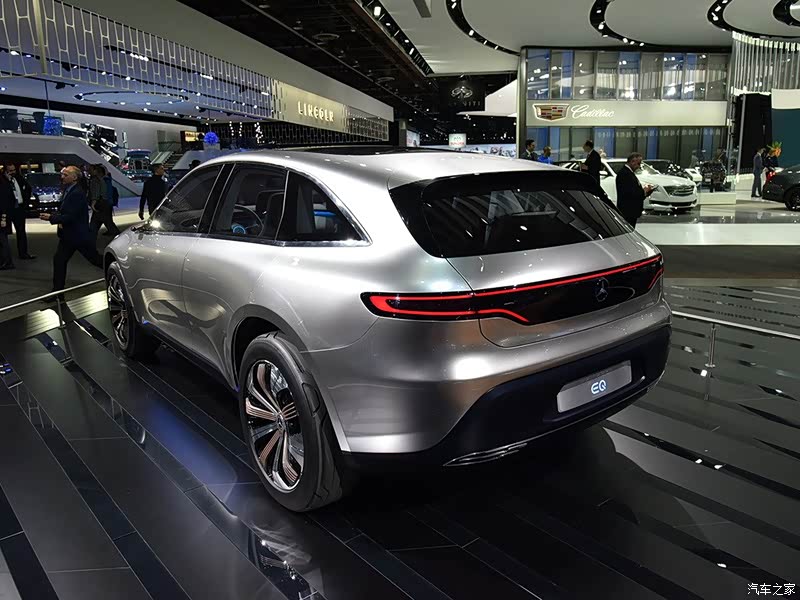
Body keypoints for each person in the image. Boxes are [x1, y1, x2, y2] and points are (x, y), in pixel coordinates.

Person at [39, 166, 102, 293]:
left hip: (78, 235)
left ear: (74, 177)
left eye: (65, 175)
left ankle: (122, 273)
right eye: (62, 174)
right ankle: (58, 292)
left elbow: (71, 216)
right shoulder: (69, 190)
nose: (62, 177)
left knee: (96, 260)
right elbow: (66, 211)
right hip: (69, 236)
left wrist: (52, 217)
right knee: (59, 261)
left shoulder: (76, 193)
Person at [2, 163, 36, 260]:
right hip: (7, 210)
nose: (13, 172)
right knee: (4, 233)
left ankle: (23, 253)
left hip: (19, 209)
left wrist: (25, 202)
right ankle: (5, 257)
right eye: (10, 171)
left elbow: (28, 188)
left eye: (14, 170)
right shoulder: (2, 181)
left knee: (21, 232)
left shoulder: (18, 178)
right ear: (5, 171)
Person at [616, 153, 654, 228]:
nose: (639, 166)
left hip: (630, 210)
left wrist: (645, 192)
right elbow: (630, 193)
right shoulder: (625, 174)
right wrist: (644, 191)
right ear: (632, 161)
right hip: (628, 210)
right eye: (638, 163)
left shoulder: (628, 173)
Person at [88, 164, 120, 240]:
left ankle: (90, 240)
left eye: (91, 169)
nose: (89, 171)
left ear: (96, 171)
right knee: (107, 221)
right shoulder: (106, 179)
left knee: (96, 224)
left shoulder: (96, 180)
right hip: (107, 203)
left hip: (100, 204)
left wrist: (93, 202)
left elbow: (96, 192)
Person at [0, 176, 12, 270]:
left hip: (2, 216)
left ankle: (7, 262)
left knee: (2, 240)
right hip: (3, 215)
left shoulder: (2, 186)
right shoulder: (4, 184)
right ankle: (5, 261)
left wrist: (3, 218)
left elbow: (3, 203)